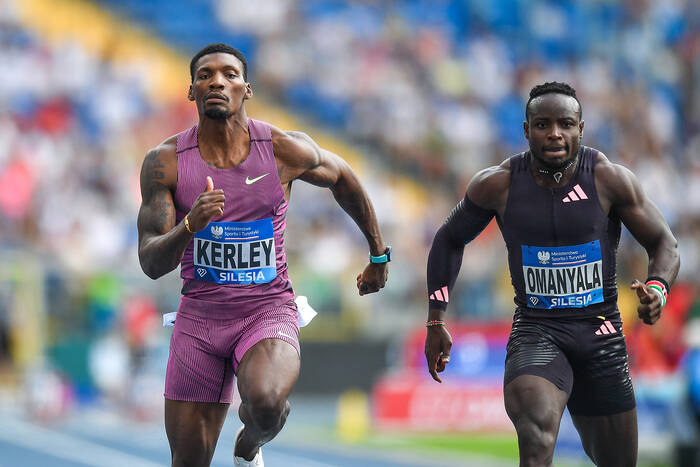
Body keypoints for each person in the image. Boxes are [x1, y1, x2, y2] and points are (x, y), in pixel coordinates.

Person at [137, 43, 390, 467]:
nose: (217, 81)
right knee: (188, 461)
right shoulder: (165, 163)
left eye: (229, 74)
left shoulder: (280, 149)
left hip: (266, 309)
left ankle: (249, 445)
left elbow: (343, 177)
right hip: (199, 319)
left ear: (246, 89)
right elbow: (149, 262)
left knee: (267, 404)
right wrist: (188, 226)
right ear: (192, 92)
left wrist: (378, 254)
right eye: (205, 75)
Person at [425, 81, 680, 467]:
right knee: (536, 431)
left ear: (581, 128)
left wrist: (659, 289)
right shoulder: (498, 184)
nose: (555, 134)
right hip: (537, 331)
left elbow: (664, 243)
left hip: (600, 334)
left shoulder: (609, 179)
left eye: (565, 124)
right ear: (526, 130)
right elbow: (448, 240)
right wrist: (435, 319)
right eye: (542, 124)